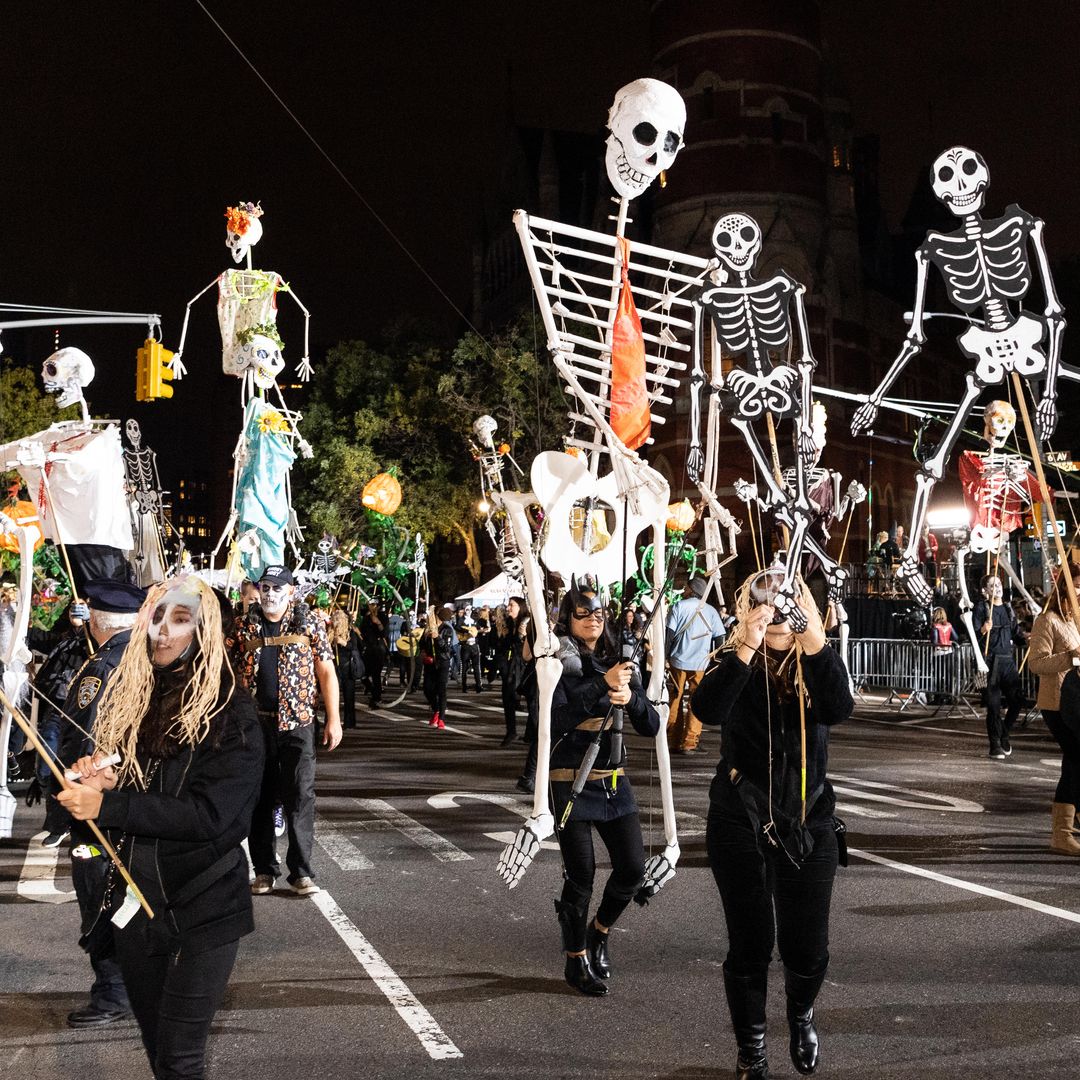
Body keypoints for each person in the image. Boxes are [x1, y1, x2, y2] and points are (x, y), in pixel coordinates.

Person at [58, 576, 264, 1080]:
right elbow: (144, 785)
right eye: (156, 618)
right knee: (157, 1053)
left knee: (179, 1059)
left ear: (205, 631)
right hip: (137, 907)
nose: (163, 632)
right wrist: (104, 781)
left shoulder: (231, 713)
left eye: (180, 619)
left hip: (204, 909)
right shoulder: (137, 699)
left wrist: (110, 806)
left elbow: (211, 817)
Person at [693, 568, 852, 1079]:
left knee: (808, 947)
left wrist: (814, 641)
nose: (777, 611)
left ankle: (801, 1014)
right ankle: (752, 1049)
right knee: (750, 943)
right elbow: (707, 708)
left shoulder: (817, 659)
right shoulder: (732, 656)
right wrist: (746, 644)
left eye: (788, 601)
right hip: (740, 819)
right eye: (766, 599)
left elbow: (839, 707)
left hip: (808, 820)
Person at [548, 580, 660, 997]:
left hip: (613, 778)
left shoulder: (620, 660)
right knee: (582, 874)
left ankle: (599, 932)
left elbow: (651, 725)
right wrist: (601, 685)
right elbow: (555, 720)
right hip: (570, 780)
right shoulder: (555, 660)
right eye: (583, 613)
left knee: (632, 868)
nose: (593, 619)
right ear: (568, 618)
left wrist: (630, 696)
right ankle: (575, 958)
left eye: (598, 613)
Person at [57, 579, 146, 1029]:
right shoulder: (144, 658)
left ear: (97, 619)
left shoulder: (106, 665)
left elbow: (87, 737)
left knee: (101, 894)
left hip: (100, 801)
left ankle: (114, 992)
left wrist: (71, 780)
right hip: (132, 800)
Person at [233, 564, 342, 896]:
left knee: (300, 795)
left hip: (299, 723)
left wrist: (334, 718)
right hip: (256, 724)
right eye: (265, 587)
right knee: (260, 797)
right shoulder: (243, 626)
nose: (270, 594)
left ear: (291, 591)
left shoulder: (308, 623)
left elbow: (326, 671)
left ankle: (301, 873)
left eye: (277, 587)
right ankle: (264, 871)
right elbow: (224, 669)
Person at [27, 604, 90, 846]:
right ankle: (59, 820)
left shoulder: (97, 640)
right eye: (75, 606)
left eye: (84, 606)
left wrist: (85, 628)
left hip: (84, 713)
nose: (77, 609)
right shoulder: (63, 638)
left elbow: (93, 649)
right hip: (57, 709)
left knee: (78, 770)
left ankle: (67, 824)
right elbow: (40, 638)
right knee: (46, 769)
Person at [1028, 562, 1080, 855]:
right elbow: (1036, 663)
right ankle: (1062, 833)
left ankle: (1069, 826)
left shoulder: (1076, 620)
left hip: (1078, 702)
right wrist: (1071, 657)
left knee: (1075, 762)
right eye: (1078, 585)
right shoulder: (1047, 620)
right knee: (1075, 760)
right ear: (1065, 588)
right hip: (1058, 703)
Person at [665, 577, 726, 754]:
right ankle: (690, 742)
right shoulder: (711, 611)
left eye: (686, 588)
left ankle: (673, 739)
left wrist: (665, 657)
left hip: (677, 660)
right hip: (700, 662)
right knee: (696, 700)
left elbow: (669, 634)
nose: (684, 590)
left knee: (675, 698)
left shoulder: (678, 606)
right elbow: (720, 637)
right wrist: (716, 660)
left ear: (692, 590)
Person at [973, 574, 1025, 759]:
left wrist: (1030, 638)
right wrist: (983, 630)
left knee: (1017, 700)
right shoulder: (981, 608)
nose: (997, 588)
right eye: (992, 585)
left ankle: (1004, 732)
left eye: (999, 584)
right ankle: (994, 744)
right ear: (985, 590)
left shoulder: (1009, 609)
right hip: (988, 662)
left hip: (1007, 661)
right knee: (993, 705)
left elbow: (1017, 635)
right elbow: (973, 636)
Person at [330, 606, 364, 729]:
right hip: (335, 667)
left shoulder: (351, 632)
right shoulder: (330, 632)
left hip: (348, 668)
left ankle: (350, 722)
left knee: (349, 697)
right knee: (333, 697)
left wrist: (342, 642)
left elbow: (355, 647)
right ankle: (332, 721)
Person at [420, 607, 454, 728]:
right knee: (427, 688)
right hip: (429, 661)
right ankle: (436, 709)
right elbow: (421, 643)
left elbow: (447, 649)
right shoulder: (428, 628)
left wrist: (437, 637)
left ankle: (441, 718)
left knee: (441, 689)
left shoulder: (447, 630)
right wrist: (423, 651)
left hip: (442, 662)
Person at [359, 600, 390, 708]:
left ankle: (376, 697)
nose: (371, 606)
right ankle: (374, 691)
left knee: (376, 675)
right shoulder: (366, 618)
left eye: (373, 604)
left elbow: (384, 634)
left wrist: (378, 623)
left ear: (378, 606)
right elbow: (362, 633)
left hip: (378, 648)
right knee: (363, 674)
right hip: (368, 649)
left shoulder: (383, 617)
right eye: (370, 604)